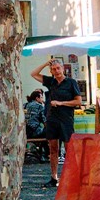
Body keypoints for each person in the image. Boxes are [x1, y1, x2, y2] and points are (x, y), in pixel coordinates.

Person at [30, 58, 84, 187]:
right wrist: (45, 63)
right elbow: (33, 74)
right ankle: (54, 177)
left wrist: (61, 103)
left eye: (58, 68)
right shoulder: (51, 82)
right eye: (54, 69)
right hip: (52, 119)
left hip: (66, 119)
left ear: (63, 68)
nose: (56, 71)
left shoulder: (71, 83)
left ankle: (73, 177)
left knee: (69, 148)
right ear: (51, 71)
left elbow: (78, 101)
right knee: (53, 149)